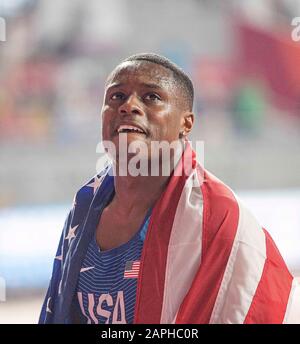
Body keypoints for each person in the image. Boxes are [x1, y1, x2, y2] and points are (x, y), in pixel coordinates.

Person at [39, 53, 299, 324]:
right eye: (116, 96)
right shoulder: (84, 206)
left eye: (151, 97)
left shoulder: (220, 219)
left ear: (186, 124)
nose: (129, 106)